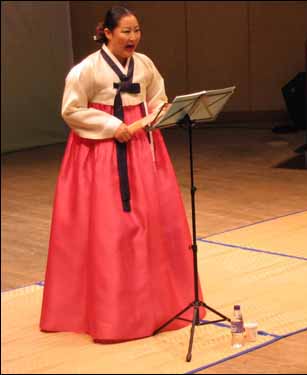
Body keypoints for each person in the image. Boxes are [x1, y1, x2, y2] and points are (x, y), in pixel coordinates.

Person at [40, 6, 205, 343]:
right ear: (107, 33)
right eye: (126, 31)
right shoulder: (86, 69)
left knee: (151, 223)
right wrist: (114, 126)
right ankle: (111, 311)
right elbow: (71, 109)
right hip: (101, 154)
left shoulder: (144, 64)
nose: (133, 38)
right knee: (111, 229)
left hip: (143, 149)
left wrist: (153, 117)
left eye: (137, 31)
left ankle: (157, 305)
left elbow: (159, 98)